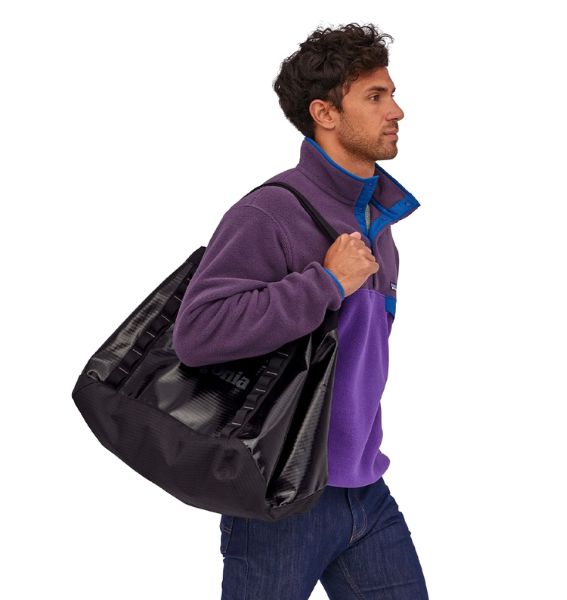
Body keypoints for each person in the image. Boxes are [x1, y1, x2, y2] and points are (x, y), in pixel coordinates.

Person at [173, 22, 429, 600]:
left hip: (364, 489)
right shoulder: (270, 212)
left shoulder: (378, 224)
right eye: (375, 96)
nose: (397, 111)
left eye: (391, 94)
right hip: (281, 499)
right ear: (325, 113)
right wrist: (325, 283)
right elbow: (197, 332)